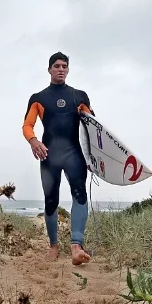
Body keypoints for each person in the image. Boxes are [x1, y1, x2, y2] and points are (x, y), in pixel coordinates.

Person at [22, 52, 94, 265]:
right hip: (49, 154)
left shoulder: (79, 96)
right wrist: (34, 142)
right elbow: (27, 125)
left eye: (64, 66)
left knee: (79, 194)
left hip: (74, 153)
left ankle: (76, 245)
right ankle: (54, 244)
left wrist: (95, 157)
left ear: (68, 70)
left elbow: (93, 126)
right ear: (49, 69)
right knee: (51, 199)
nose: (61, 69)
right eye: (56, 66)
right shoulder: (38, 98)